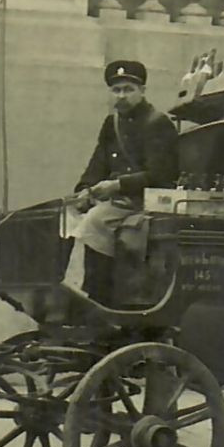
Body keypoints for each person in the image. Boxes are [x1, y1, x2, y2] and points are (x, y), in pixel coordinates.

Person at [63, 59, 180, 305]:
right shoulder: (111, 124)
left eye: (128, 89)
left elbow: (161, 174)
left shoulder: (157, 123)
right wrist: (84, 189)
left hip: (143, 200)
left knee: (95, 222)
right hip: (116, 199)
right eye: (116, 90)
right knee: (67, 216)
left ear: (142, 91)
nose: (122, 96)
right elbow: (97, 164)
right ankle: (76, 292)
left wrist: (117, 185)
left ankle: (99, 296)